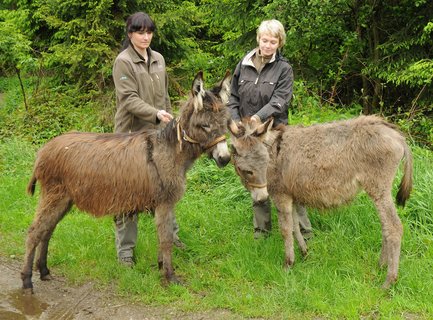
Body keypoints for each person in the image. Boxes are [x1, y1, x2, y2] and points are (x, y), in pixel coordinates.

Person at [227, 19, 313, 239]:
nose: (267, 45)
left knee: (287, 180)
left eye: (273, 42)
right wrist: (236, 120)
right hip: (247, 135)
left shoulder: (284, 69)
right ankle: (261, 231)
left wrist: (259, 117)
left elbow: (280, 100)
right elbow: (233, 96)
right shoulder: (243, 64)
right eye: (264, 40)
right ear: (258, 39)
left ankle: (303, 230)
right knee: (255, 177)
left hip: (275, 133)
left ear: (279, 43)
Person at [112, 12, 184, 267]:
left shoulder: (159, 59)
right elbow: (129, 99)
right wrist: (155, 114)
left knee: (165, 188)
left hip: (159, 137)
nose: (145, 37)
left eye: (149, 32)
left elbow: (163, 96)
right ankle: (126, 251)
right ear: (130, 34)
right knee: (128, 194)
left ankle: (171, 237)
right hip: (130, 137)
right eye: (140, 32)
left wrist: (168, 119)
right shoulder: (123, 62)